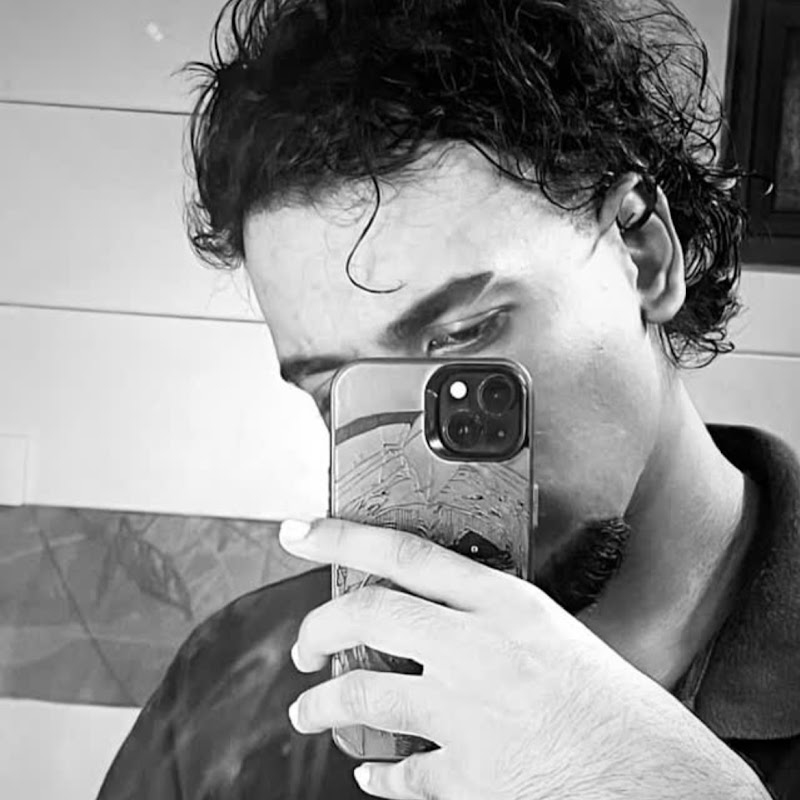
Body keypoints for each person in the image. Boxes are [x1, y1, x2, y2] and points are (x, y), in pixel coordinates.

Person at [97, 0, 800, 797]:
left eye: (464, 337)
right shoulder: (235, 691)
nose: (413, 461)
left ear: (642, 253)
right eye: (340, 393)